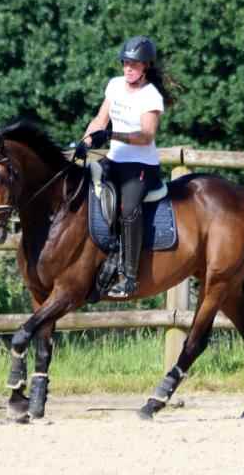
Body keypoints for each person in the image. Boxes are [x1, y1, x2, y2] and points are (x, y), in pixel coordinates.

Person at [75, 35, 173, 298]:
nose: (128, 68)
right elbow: (100, 120)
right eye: (125, 63)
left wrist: (111, 135)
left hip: (141, 166)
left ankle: (129, 276)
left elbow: (146, 136)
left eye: (134, 64)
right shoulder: (115, 85)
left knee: (128, 209)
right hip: (114, 160)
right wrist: (84, 143)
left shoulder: (151, 96)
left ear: (146, 66)